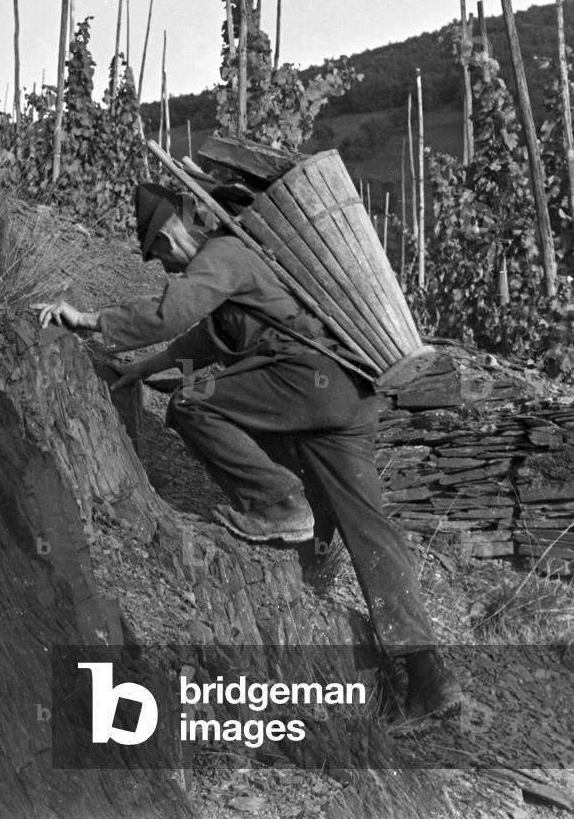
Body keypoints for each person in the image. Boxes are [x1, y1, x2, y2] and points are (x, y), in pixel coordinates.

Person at [33, 182, 462, 723]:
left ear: (171, 230)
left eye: (159, 253)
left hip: (309, 382)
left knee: (193, 403)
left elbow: (171, 312)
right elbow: (205, 338)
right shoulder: (240, 263)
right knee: (372, 530)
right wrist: (142, 369)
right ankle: (428, 675)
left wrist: (92, 321)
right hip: (350, 395)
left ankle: (280, 501)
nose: (163, 266)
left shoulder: (223, 253)